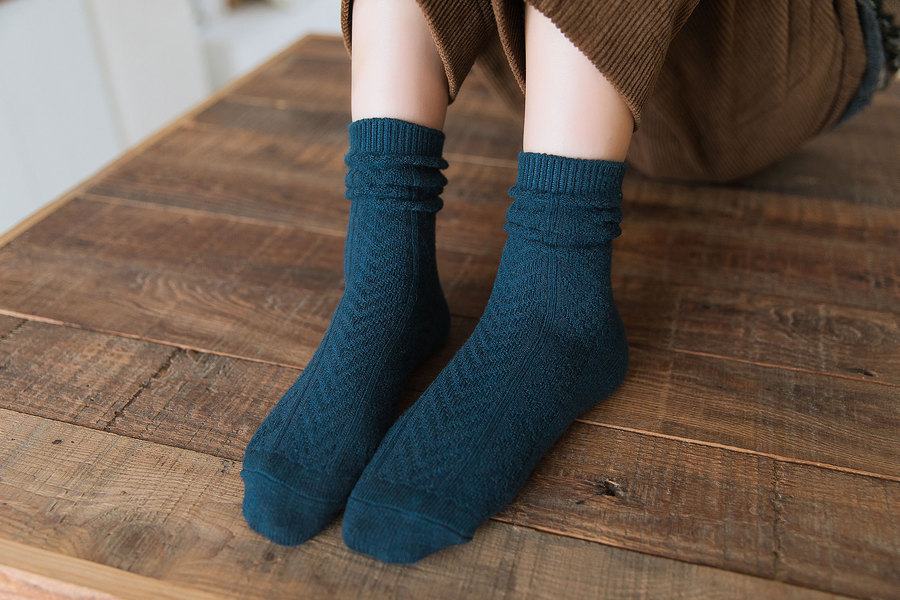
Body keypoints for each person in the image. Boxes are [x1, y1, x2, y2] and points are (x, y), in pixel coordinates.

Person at [238, 0, 899, 563]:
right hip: (546, 69)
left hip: (759, 67)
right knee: (385, 278)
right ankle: (387, 278)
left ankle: (553, 302)